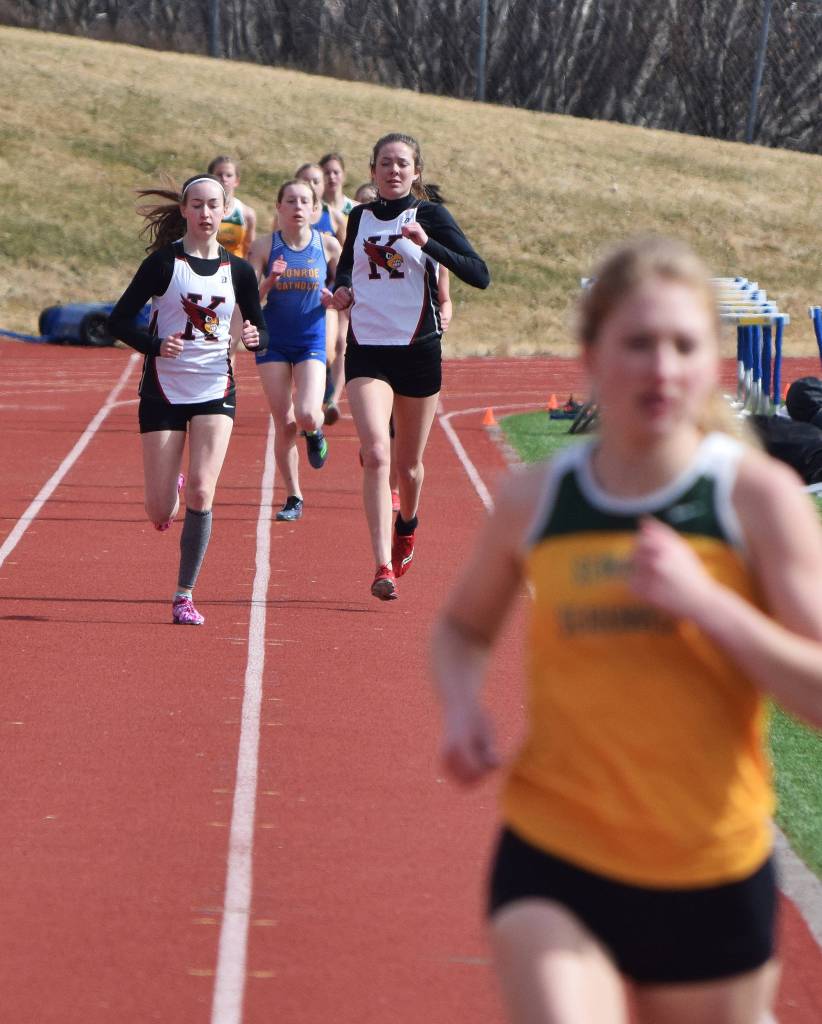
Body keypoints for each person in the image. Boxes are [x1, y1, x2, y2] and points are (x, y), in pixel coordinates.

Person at [431, 236, 822, 1023]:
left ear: (712, 357)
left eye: (683, 345)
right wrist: (463, 703)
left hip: (708, 866)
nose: (661, 367)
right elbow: (462, 629)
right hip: (556, 855)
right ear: (591, 351)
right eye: (637, 343)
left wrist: (708, 606)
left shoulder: (755, 499)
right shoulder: (536, 499)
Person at [324, 132, 489, 600]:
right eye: (384, 164)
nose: (393, 171)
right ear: (372, 171)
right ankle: (381, 565)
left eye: (402, 164)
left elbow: (480, 274)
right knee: (376, 454)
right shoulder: (359, 217)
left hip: (418, 349)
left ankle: (408, 525)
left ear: (416, 172)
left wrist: (428, 244)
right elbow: (347, 270)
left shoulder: (430, 216)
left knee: (409, 466)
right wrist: (342, 292)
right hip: (368, 349)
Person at [108, 174, 267, 626]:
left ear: (225, 209)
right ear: (184, 210)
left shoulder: (238, 271)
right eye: (196, 205)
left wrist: (255, 337)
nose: (205, 213)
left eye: (213, 205)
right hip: (163, 388)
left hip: (216, 387)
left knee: (203, 488)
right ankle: (169, 490)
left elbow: (259, 328)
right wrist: (156, 346)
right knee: (159, 510)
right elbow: (117, 321)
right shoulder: (163, 265)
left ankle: (184, 594)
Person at [247, 179, 341, 522]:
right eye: (291, 200)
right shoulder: (262, 247)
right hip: (273, 341)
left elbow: (347, 286)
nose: (298, 207)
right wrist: (269, 281)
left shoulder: (328, 245)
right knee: (284, 423)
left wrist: (336, 298)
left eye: (305, 201)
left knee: (306, 414)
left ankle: (315, 433)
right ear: (279, 207)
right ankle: (293, 496)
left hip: (310, 340)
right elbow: (249, 303)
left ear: (316, 209)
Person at [207, 156, 259, 372]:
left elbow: (250, 250)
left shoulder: (246, 213)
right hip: (206, 281)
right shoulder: (205, 211)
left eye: (228, 175)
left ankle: (225, 393)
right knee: (207, 342)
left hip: (233, 283)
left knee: (229, 346)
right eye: (219, 174)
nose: (224, 179)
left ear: (236, 180)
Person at [319, 152, 356, 217]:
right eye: (327, 173)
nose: (331, 177)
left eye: (336, 172)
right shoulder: (314, 210)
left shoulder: (355, 209)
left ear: (344, 175)